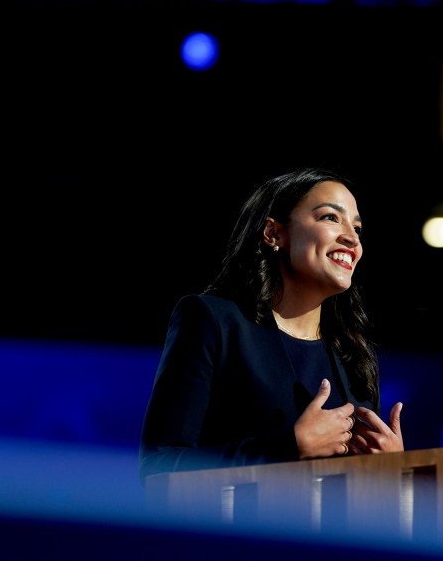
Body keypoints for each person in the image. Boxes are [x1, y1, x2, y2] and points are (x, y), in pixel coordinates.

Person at [139, 167, 404, 478]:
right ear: (274, 234)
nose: (351, 238)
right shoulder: (213, 321)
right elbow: (159, 467)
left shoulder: (353, 352)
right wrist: (287, 449)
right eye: (330, 217)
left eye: (357, 228)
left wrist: (389, 468)